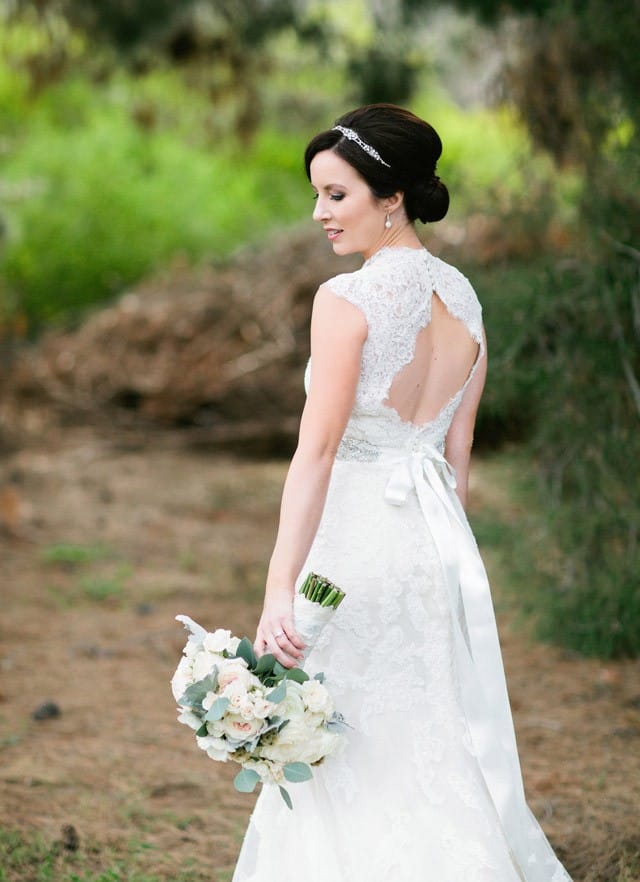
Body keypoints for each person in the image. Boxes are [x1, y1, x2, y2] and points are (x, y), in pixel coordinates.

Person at [232, 104, 572, 882]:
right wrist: (442, 548)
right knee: (430, 732)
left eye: (336, 195)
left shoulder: (344, 300)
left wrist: (280, 583)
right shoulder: (466, 298)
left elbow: (315, 451)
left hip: (351, 544)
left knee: (338, 734)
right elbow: (458, 456)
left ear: (391, 198)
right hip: (432, 541)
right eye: (316, 195)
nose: (319, 213)